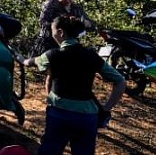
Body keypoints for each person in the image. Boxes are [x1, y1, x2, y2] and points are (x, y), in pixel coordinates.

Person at [22, 15, 125, 155]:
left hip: (59, 115)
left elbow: (29, 63)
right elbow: (120, 81)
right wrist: (106, 108)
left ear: (61, 32)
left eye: (52, 30)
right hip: (87, 117)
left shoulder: (51, 55)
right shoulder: (91, 55)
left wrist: (21, 58)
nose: (51, 33)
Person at [31, 0, 95, 56]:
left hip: (69, 44)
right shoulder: (51, 4)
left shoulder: (76, 8)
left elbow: (92, 26)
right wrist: (61, 25)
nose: (67, 0)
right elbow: (43, 21)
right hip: (49, 42)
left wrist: (86, 23)